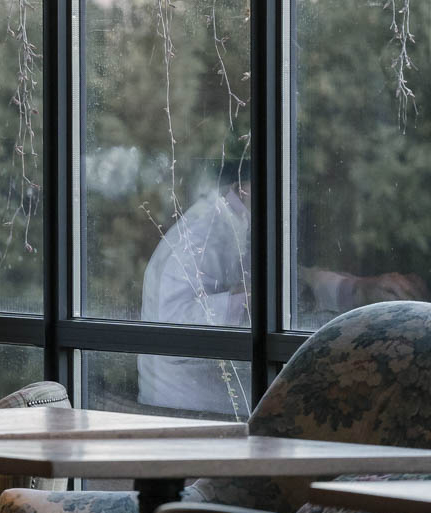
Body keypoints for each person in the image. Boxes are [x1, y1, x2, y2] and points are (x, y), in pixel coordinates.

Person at [139, 157, 426, 414]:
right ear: (246, 185)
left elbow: (291, 279)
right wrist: (255, 299)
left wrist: (359, 289)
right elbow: (172, 328)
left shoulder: (242, 223)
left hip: (231, 409)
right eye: (284, 185)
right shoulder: (206, 234)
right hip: (190, 415)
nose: (291, 199)